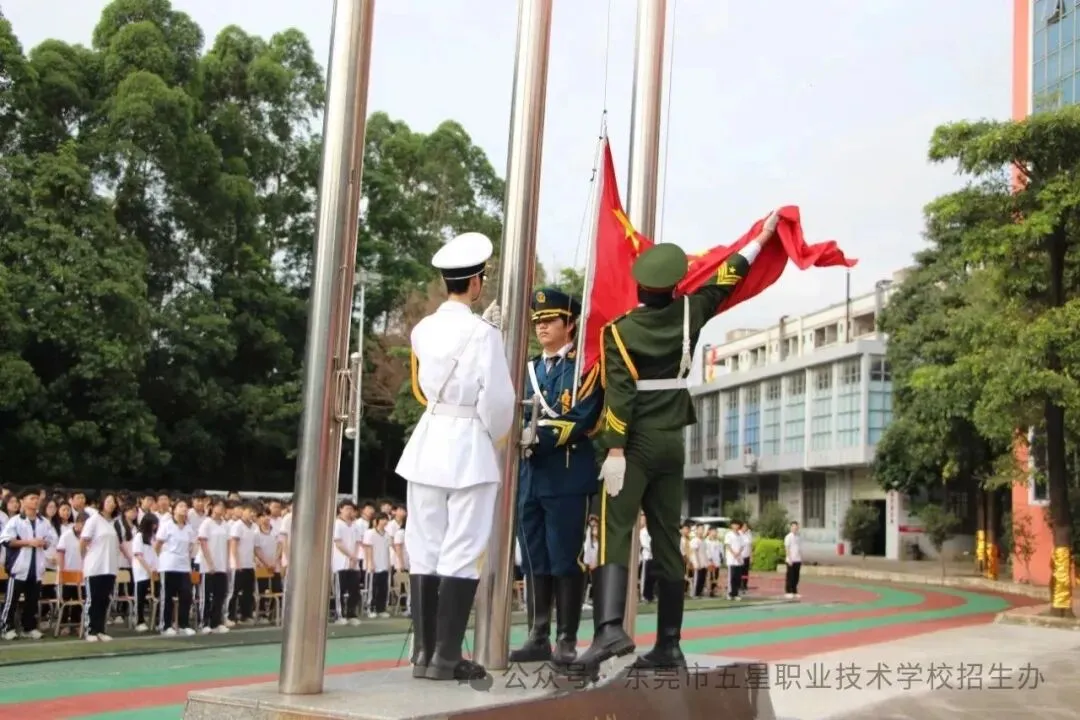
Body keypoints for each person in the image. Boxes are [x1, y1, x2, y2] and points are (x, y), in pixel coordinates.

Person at [575, 213, 779, 672]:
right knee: (668, 539)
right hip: (673, 443)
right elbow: (726, 278)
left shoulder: (620, 331)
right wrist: (761, 239)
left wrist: (614, 448)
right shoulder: (692, 312)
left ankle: (609, 629)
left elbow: (621, 395)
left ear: (640, 288)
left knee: (615, 529)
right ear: (672, 286)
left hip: (634, 444)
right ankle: (669, 644)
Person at [395, 231, 516, 682]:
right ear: (477, 282)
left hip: (428, 440)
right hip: (467, 442)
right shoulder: (484, 334)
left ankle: (424, 654)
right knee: (462, 549)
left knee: (424, 547)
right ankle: (446, 657)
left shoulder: (422, 329)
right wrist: (491, 436)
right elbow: (498, 401)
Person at [509, 288, 602, 667]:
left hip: (565, 473)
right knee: (533, 558)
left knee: (565, 559)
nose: (542, 327)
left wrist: (537, 435)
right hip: (529, 476)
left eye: (549, 320)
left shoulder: (584, 367)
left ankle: (565, 638)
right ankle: (537, 635)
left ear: (570, 324)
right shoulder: (528, 369)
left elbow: (585, 415)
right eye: (538, 322)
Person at [0, 488, 55, 640]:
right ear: (22, 501)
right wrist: (28, 542)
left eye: (37, 498)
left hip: (36, 568)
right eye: (32, 498)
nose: (35, 501)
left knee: (32, 601)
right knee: (12, 600)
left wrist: (43, 542)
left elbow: (50, 540)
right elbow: (6, 540)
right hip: (19, 567)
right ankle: (7, 627)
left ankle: (29, 627)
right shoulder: (15, 521)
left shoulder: (44, 522)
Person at [784, 521, 802, 600]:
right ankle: (788, 591)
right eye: (793, 526)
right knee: (790, 576)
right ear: (791, 527)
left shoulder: (798, 537)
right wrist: (789, 558)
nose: (795, 528)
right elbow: (787, 548)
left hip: (798, 559)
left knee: (796, 577)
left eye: (796, 527)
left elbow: (799, 548)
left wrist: (800, 558)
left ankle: (794, 591)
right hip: (790, 560)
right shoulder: (788, 537)